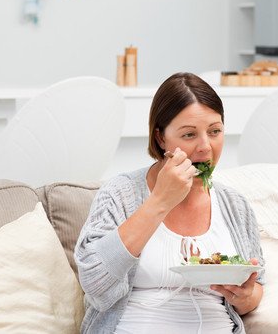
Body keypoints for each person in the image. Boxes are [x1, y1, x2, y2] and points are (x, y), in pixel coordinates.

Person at [74, 72, 265, 334]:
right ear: (161, 138)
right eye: (189, 135)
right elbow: (95, 284)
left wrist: (246, 297)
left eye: (215, 131)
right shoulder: (120, 193)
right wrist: (160, 201)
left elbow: (255, 288)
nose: (205, 147)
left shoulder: (235, 205)